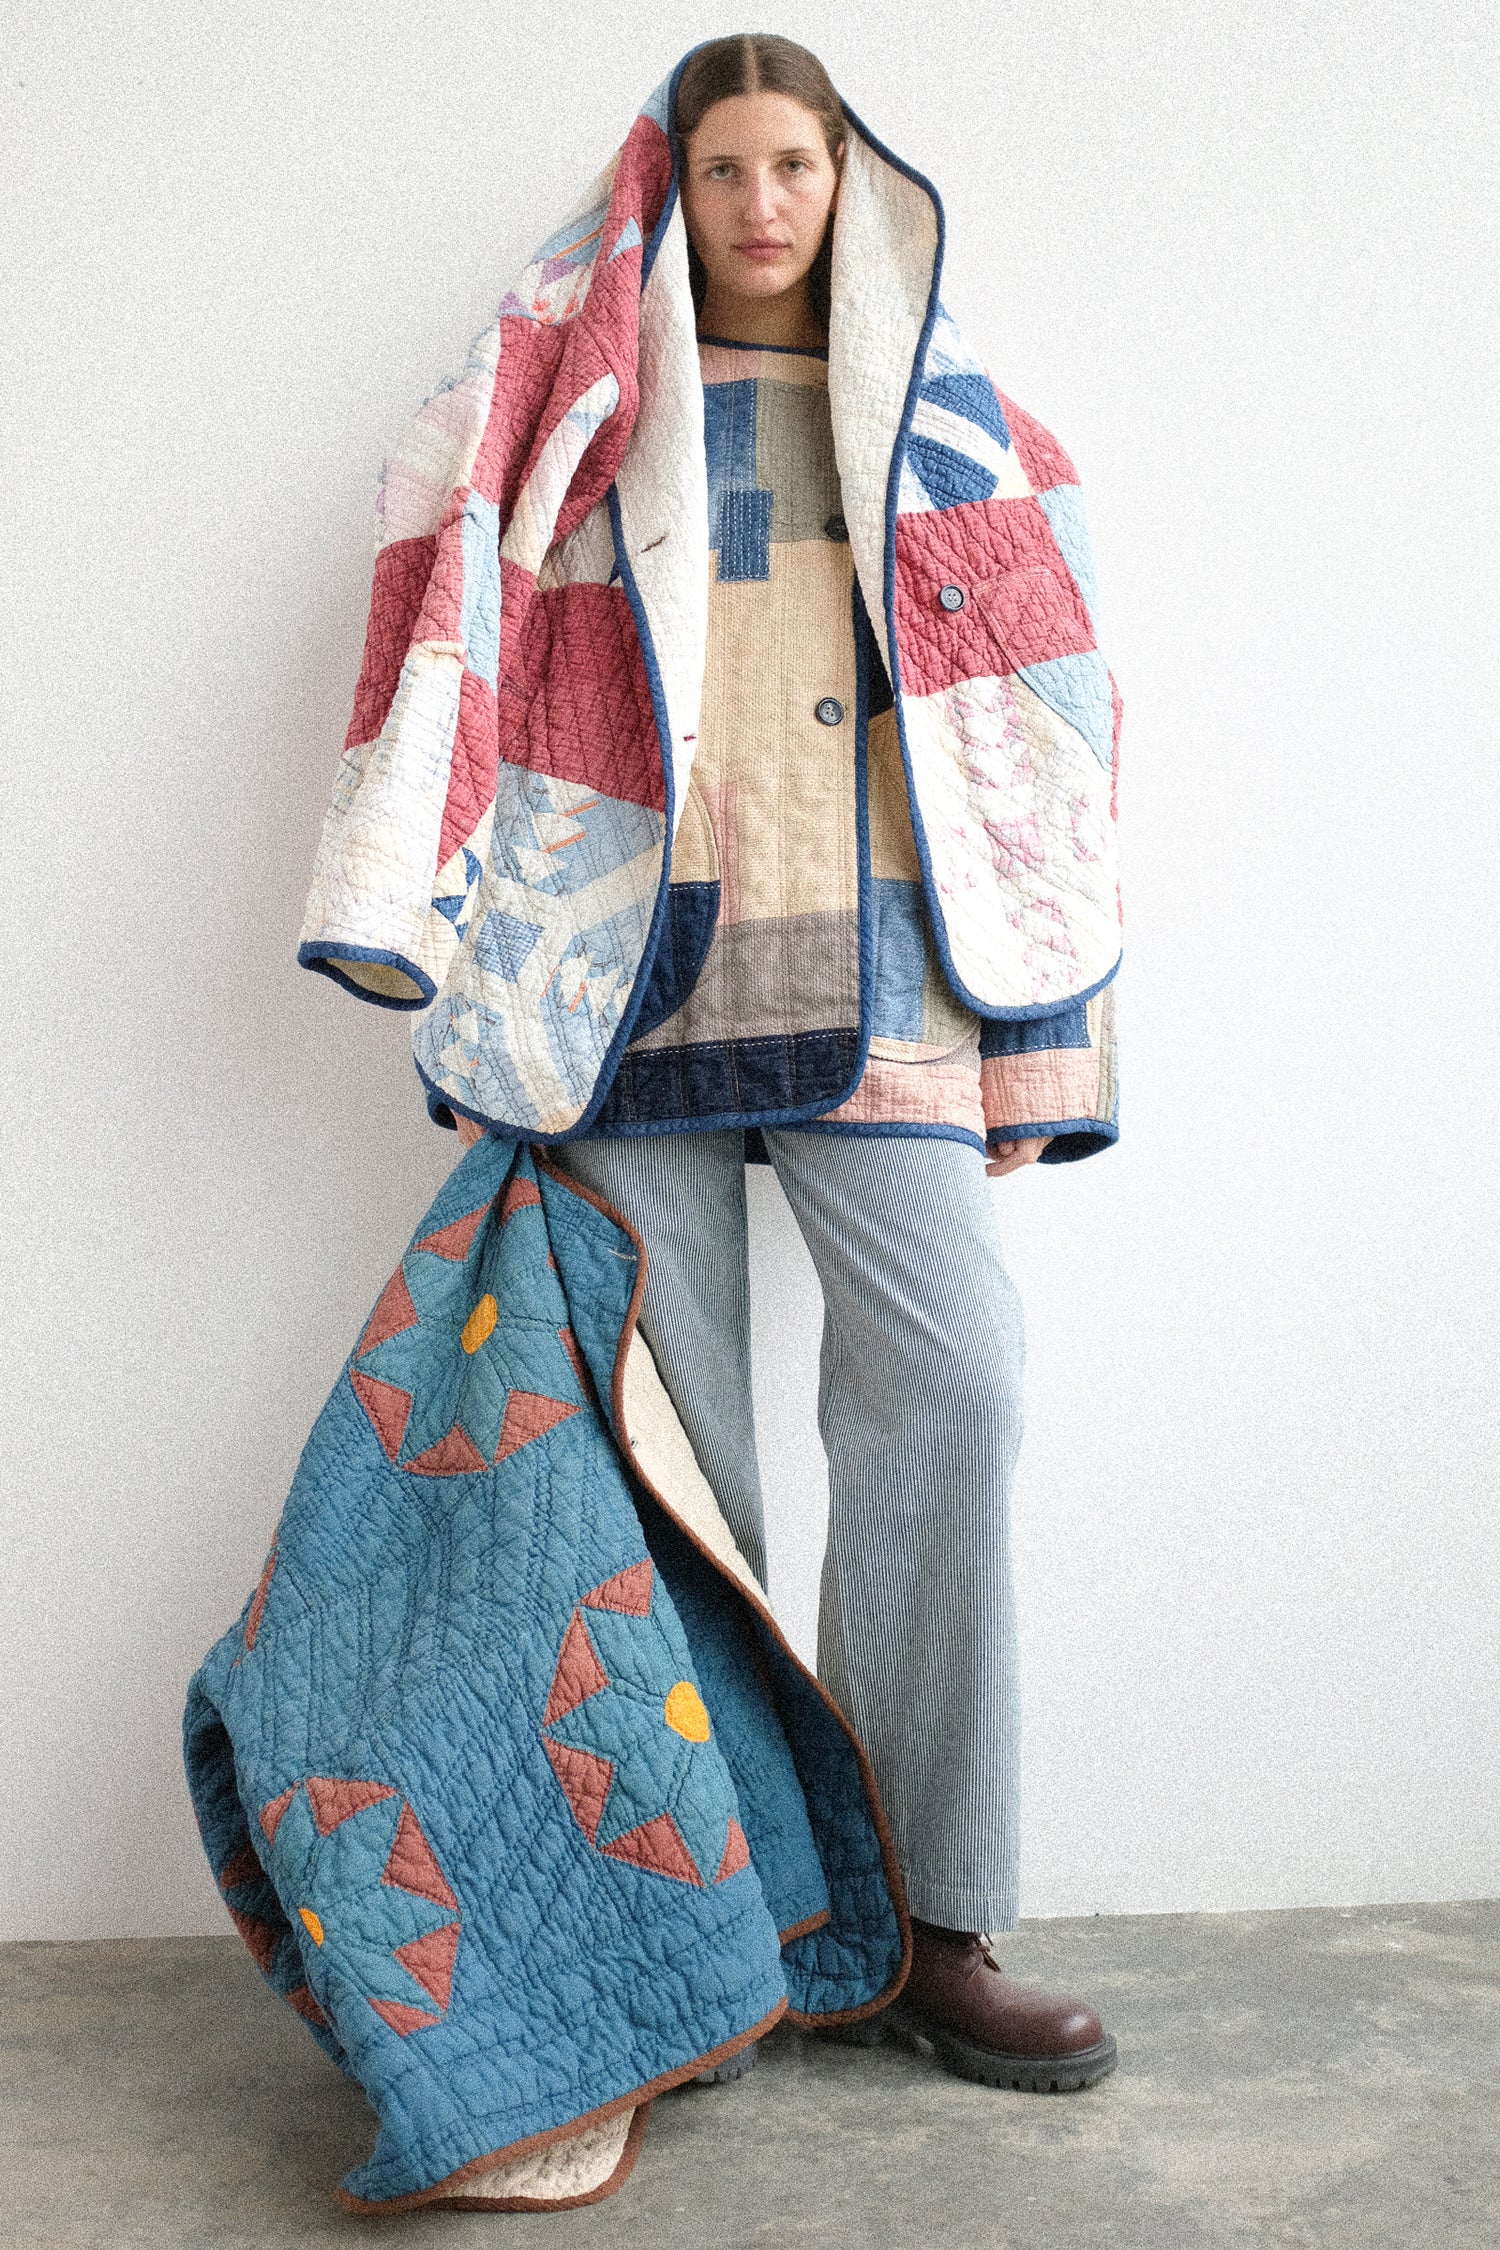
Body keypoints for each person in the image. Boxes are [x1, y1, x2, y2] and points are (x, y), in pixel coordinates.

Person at [308, 32, 1123, 2095]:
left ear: (854, 182)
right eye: (731, 167)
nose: (768, 204)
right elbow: (457, 663)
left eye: (801, 165)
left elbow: (1044, 753)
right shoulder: (570, 433)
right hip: (630, 991)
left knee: (958, 1383)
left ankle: (944, 1915)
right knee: (690, 1476)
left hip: (892, 988)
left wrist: (1039, 1041)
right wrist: (472, 974)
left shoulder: (964, 438)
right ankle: (743, 1930)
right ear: (673, 186)